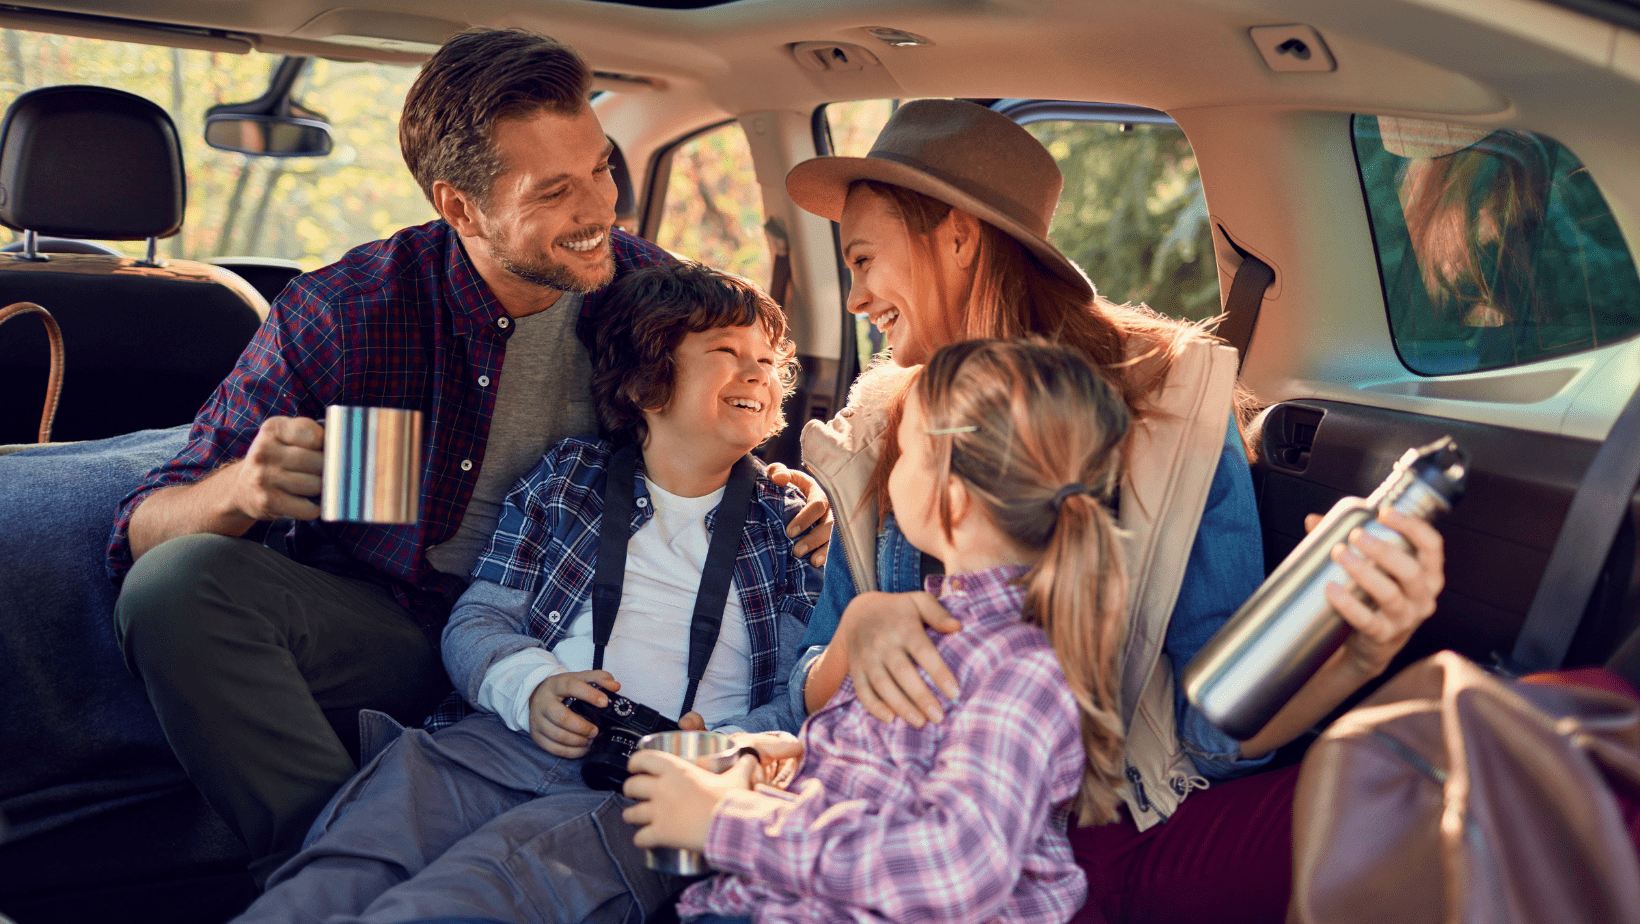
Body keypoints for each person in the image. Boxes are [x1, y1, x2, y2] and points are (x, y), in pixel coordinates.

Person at [106, 28, 828, 886]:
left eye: (601, 168)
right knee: (174, 584)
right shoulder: (350, 310)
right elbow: (141, 529)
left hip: (560, 633)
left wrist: (788, 492)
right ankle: (331, 866)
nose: (600, 210)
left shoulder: (647, 293)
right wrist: (242, 490)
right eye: (556, 191)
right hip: (390, 626)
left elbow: (727, 426)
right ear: (461, 207)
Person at [779, 99, 1447, 922]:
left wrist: (1356, 654)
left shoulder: (1166, 407)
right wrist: (856, 634)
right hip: (920, 832)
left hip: (1124, 824)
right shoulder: (884, 429)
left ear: (956, 236)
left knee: (1449, 786)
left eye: (863, 259)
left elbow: (1212, 733)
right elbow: (798, 692)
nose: (854, 298)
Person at [236, 261, 821, 924]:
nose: (756, 373)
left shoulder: (790, 526)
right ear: (646, 382)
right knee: (341, 868)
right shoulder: (567, 481)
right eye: (726, 352)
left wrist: (725, 747)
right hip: (498, 743)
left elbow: (805, 696)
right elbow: (477, 621)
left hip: (651, 786)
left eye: (769, 361)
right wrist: (532, 686)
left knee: (477, 893)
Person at [624, 337, 1129, 924]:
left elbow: (952, 868)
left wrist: (729, 821)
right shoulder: (928, 626)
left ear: (953, 496)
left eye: (906, 452)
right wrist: (794, 764)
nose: (890, 471)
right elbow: (896, 782)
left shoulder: (1023, 673)